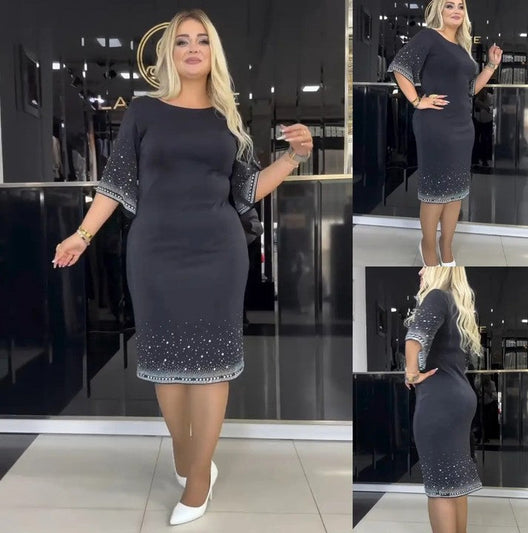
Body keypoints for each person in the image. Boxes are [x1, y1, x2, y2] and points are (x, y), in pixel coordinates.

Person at [52, 9, 313, 526]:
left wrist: (292, 158)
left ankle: (198, 481)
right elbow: (115, 183)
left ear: (213, 52)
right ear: (168, 53)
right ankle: (184, 451)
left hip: (218, 254)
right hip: (154, 254)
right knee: (165, 366)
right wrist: (82, 234)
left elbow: (245, 192)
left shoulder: (226, 118)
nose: (193, 48)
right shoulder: (144, 112)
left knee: (212, 366)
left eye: (202, 40)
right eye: (182, 41)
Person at [388, 0, 502, 266]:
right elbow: (399, 66)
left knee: (456, 192)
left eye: (460, 6)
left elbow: (469, 90)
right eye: (449, 5)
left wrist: (491, 66)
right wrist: (417, 101)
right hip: (435, 125)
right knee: (435, 193)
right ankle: (428, 248)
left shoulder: (461, 47)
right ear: (439, 10)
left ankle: (446, 248)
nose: (456, 11)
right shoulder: (429, 37)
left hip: (463, 127)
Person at [404, 266, 482, 533]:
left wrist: (411, 374)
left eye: (425, 267)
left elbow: (414, 339)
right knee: (455, 483)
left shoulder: (436, 296)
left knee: (439, 486)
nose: (420, 272)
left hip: (439, 400)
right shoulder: (459, 307)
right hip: (460, 398)